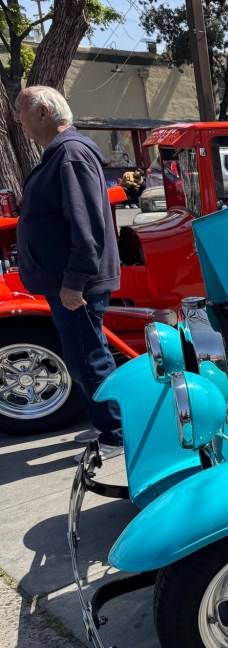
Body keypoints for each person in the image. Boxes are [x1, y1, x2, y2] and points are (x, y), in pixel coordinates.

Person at [12, 85, 123, 459]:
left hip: (75, 284)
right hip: (67, 281)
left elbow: (86, 225)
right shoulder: (62, 154)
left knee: (88, 357)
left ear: (43, 112)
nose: (18, 120)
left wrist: (74, 281)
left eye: (21, 112)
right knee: (81, 355)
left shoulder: (70, 155)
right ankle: (106, 424)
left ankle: (117, 433)